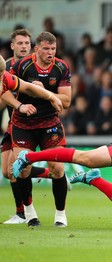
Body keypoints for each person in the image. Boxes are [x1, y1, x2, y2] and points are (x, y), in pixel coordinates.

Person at [9, 31, 71, 227]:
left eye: (53, 49)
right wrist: (20, 105)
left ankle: (60, 216)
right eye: (46, 49)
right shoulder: (21, 65)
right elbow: (5, 93)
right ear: (36, 49)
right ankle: (30, 214)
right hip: (23, 124)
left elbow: (67, 101)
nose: (50, 52)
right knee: (22, 168)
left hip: (49, 124)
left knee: (58, 168)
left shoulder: (61, 67)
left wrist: (42, 90)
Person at [1, 29, 59, 225]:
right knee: (7, 172)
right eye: (20, 43)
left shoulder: (34, 66)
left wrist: (34, 90)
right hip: (13, 122)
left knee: (15, 169)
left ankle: (22, 214)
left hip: (33, 123)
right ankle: (50, 176)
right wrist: (17, 94)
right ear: (12, 46)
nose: (23, 46)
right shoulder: (8, 67)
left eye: (26, 43)